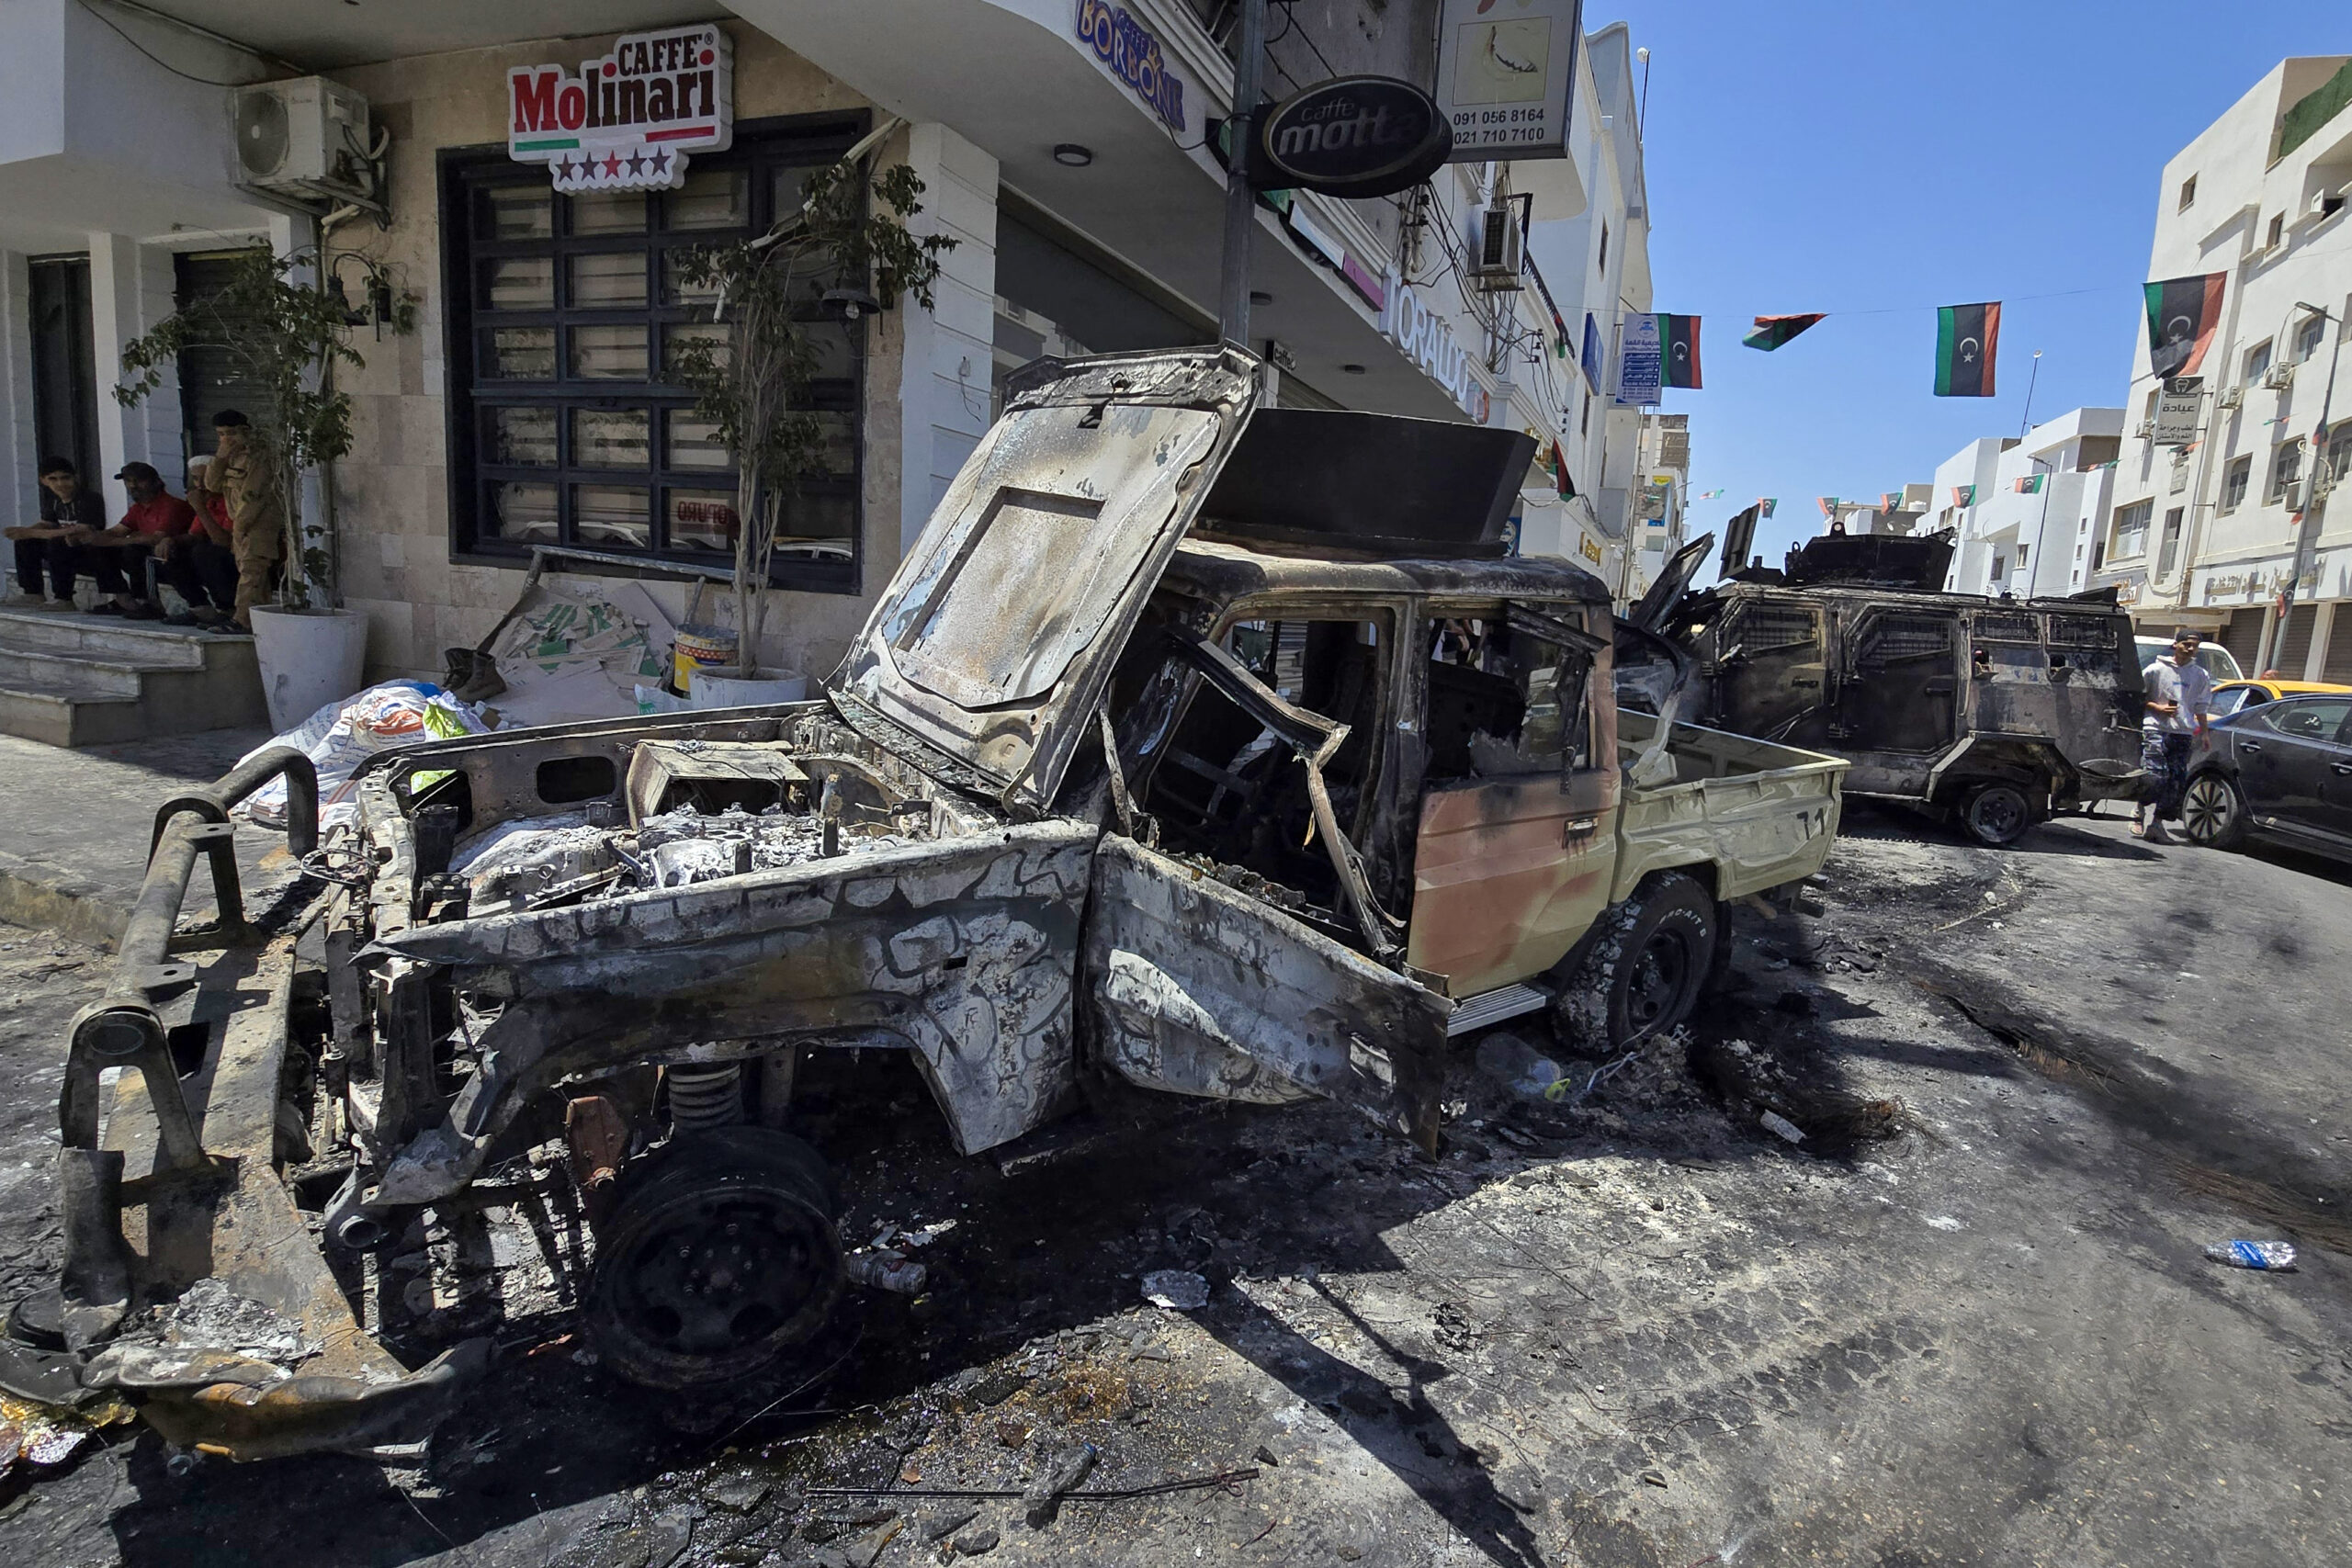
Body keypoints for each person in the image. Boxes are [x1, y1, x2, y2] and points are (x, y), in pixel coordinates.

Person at [67, 462, 198, 618]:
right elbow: (116, 531)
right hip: (148, 558)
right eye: (128, 481)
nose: (133, 486)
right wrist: (86, 537)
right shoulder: (138, 508)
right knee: (99, 548)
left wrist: (118, 541)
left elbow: (156, 539)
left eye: (139, 480)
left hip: (173, 560)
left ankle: (150, 604)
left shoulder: (172, 505)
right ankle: (123, 600)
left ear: (156, 482)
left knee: (134, 550)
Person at [204, 411, 284, 630]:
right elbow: (211, 485)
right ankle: (257, 620)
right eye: (221, 434)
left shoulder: (259, 457)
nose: (226, 439)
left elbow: (253, 496)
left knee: (252, 571)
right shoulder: (230, 457)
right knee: (252, 574)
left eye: (231, 433)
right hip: (240, 523)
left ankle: (241, 620)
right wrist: (220, 459)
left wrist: (239, 528)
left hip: (257, 523)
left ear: (244, 431)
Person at [2135, 626, 2214, 844]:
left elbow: (2201, 706)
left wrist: (2204, 733)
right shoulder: (2155, 670)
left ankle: (2157, 824)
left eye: (2195, 646)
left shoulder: (2200, 675)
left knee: (2175, 780)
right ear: (2175, 645)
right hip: (2155, 728)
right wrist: (2157, 708)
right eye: (2186, 644)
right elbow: (2138, 697)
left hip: (2182, 732)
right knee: (2155, 775)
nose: (2190, 649)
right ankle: (2139, 808)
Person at [5, 457, 113, 607]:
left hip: (91, 553)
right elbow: (47, 524)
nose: (60, 484)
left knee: (57, 542)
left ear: (75, 477)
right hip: (64, 552)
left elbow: (82, 529)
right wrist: (23, 532)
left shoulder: (89, 498)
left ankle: (64, 598)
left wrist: (32, 533)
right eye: (53, 479)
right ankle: (33, 593)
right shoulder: (54, 500)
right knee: (25, 541)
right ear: (43, 480)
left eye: (65, 478)